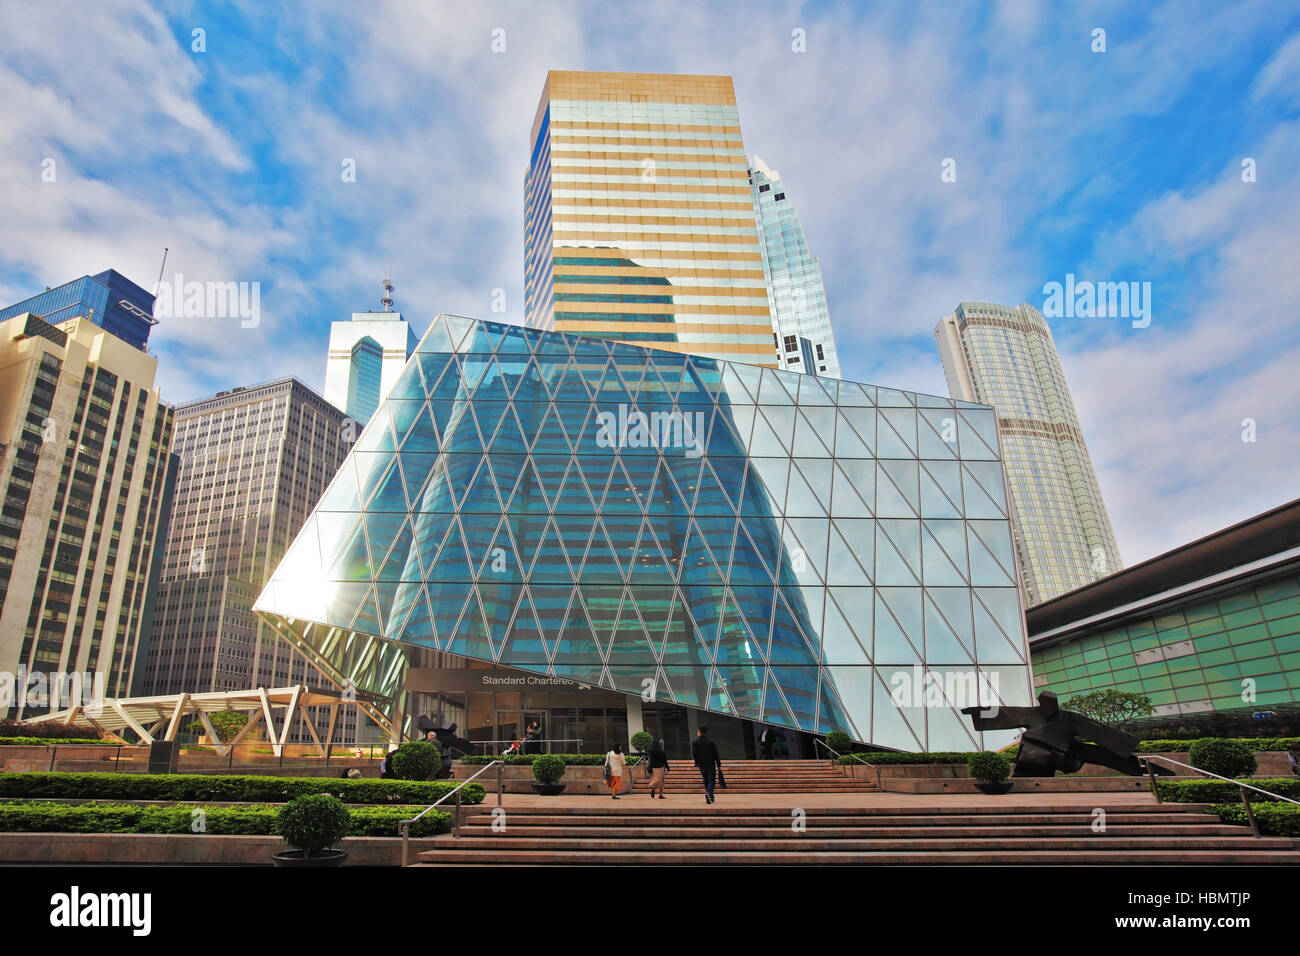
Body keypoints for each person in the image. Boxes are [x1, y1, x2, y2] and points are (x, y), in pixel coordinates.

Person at [691, 727, 721, 804]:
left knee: (706, 780)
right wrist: (718, 764)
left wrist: (696, 763)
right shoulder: (711, 742)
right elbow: (716, 754)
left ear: (700, 732)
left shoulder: (695, 742)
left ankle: (710, 796)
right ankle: (709, 793)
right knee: (712, 780)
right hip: (710, 763)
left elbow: (694, 754)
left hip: (701, 764)